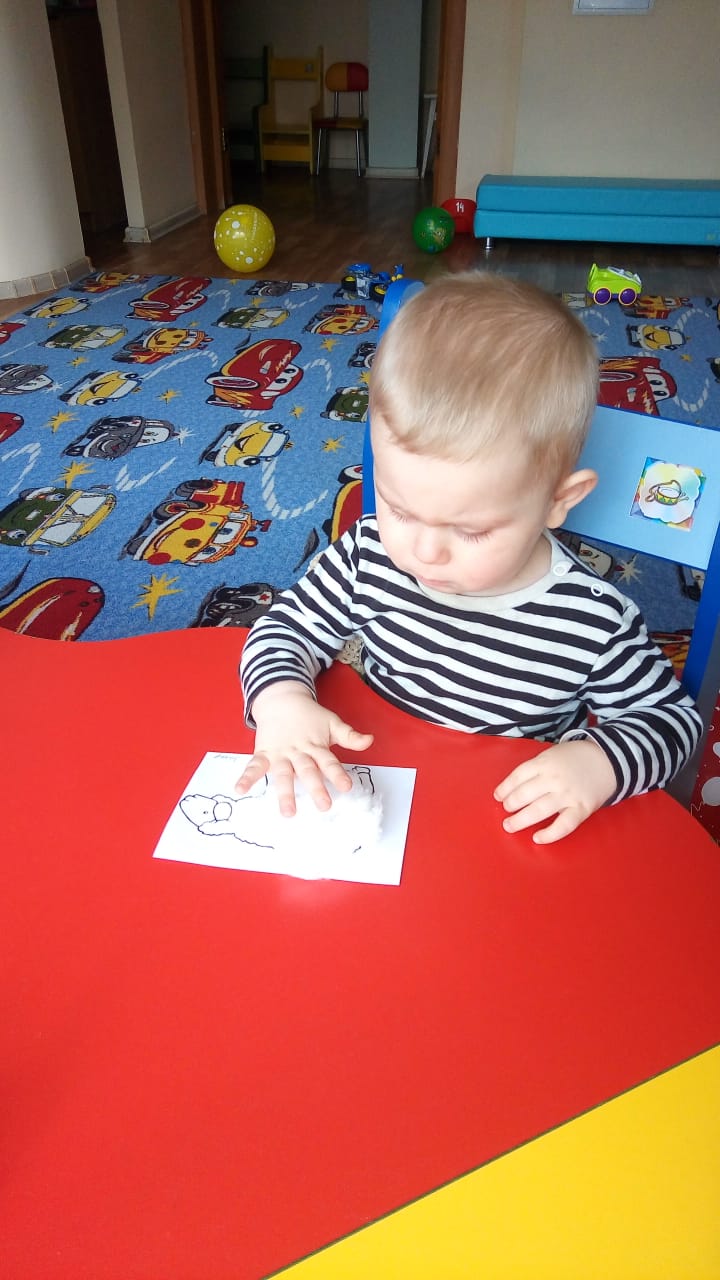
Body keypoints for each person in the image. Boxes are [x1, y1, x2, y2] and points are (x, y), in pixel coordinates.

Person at [237, 271, 701, 844]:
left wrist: (599, 762)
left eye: (471, 531)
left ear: (559, 501)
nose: (422, 551)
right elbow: (284, 628)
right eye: (399, 507)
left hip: (495, 821)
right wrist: (281, 700)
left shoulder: (592, 621)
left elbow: (672, 722)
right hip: (381, 783)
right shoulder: (368, 553)